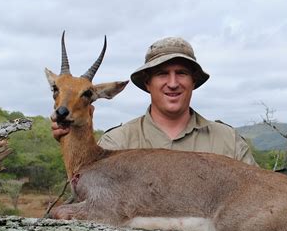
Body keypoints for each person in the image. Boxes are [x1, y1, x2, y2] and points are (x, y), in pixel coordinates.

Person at [52, 37, 257, 166]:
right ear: (147, 83)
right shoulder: (117, 141)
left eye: (182, 73)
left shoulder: (229, 141)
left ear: (193, 81)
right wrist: (72, 135)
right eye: (162, 74)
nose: (173, 83)